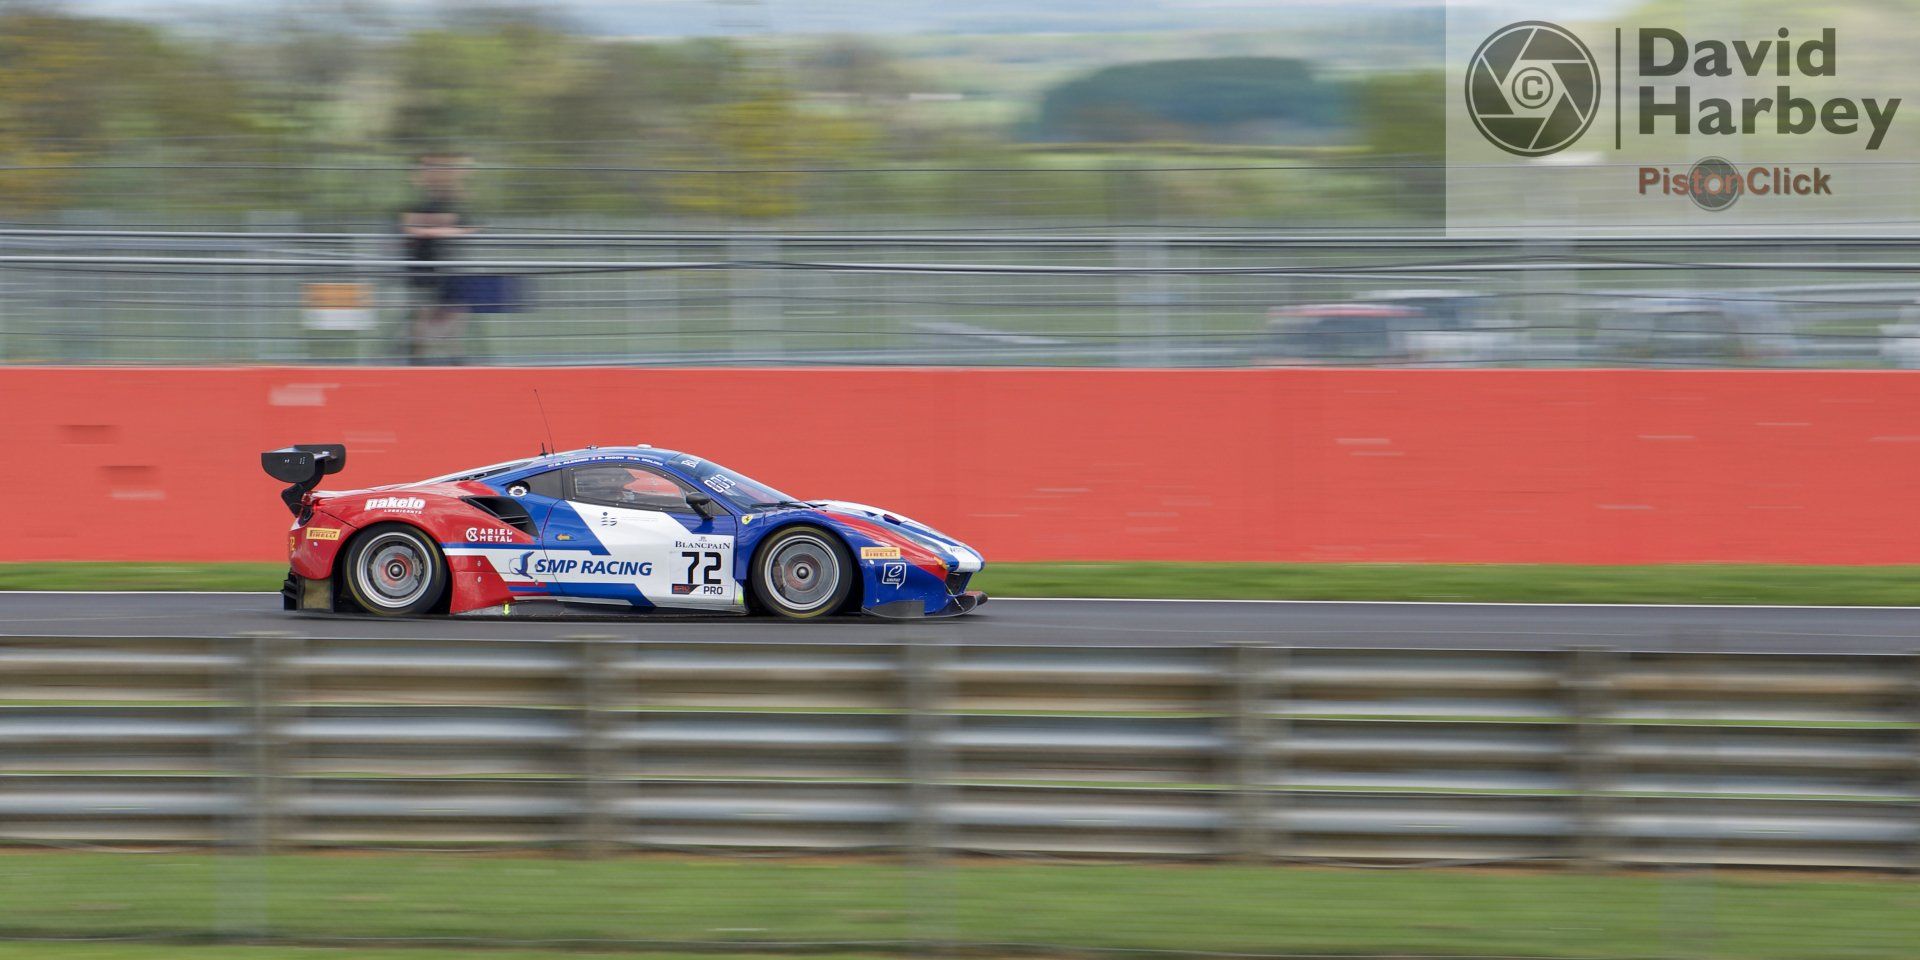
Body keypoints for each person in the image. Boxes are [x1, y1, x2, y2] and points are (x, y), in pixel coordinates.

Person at [398, 153, 477, 363]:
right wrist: (441, 227)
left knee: (454, 312)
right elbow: (411, 226)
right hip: (423, 268)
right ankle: (419, 356)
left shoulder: (454, 200)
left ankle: (452, 356)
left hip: (448, 268)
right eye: (425, 168)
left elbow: (466, 226)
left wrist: (435, 228)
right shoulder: (417, 202)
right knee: (426, 313)